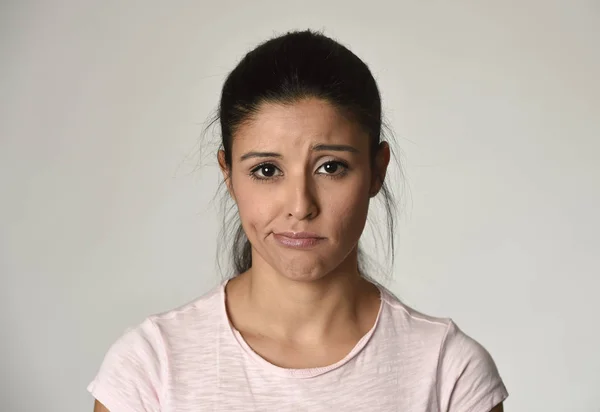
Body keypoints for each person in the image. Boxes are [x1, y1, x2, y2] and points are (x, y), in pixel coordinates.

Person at [89, 30, 508, 412]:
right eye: (267, 170)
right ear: (228, 174)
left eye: (331, 167)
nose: (300, 205)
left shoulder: (449, 373)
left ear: (377, 170)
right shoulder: (149, 370)